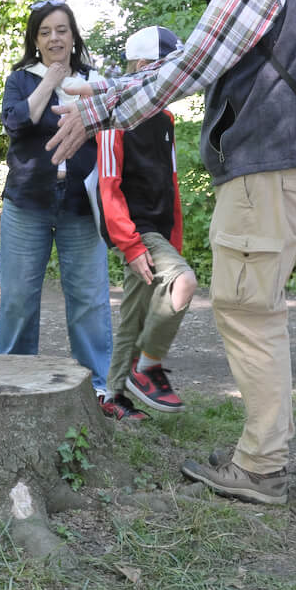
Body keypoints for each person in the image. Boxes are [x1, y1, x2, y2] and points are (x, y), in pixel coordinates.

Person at [48, 0, 296, 506]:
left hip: (268, 168)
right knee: (254, 310)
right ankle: (260, 452)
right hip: (281, 166)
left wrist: (100, 110)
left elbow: (196, 64)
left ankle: (260, 466)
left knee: (248, 312)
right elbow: (187, 62)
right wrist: (106, 96)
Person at [0, 0, 112, 399]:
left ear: (74, 36)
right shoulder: (21, 79)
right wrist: (50, 81)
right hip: (28, 201)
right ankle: (11, 382)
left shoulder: (95, 80)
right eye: (44, 32)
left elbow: (113, 132)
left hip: (82, 202)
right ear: (35, 40)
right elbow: (16, 122)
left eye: (61, 30)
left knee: (89, 300)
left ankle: (97, 386)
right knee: (18, 298)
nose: (54, 38)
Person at [95, 25, 198, 424]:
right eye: (165, 68)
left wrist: (175, 239)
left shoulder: (165, 119)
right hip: (134, 230)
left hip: (159, 231)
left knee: (134, 312)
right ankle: (146, 368)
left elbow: (170, 185)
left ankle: (114, 396)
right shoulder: (114, 117)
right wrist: (131, 243)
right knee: (183, 282)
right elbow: (108, 187)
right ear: (141, 67)